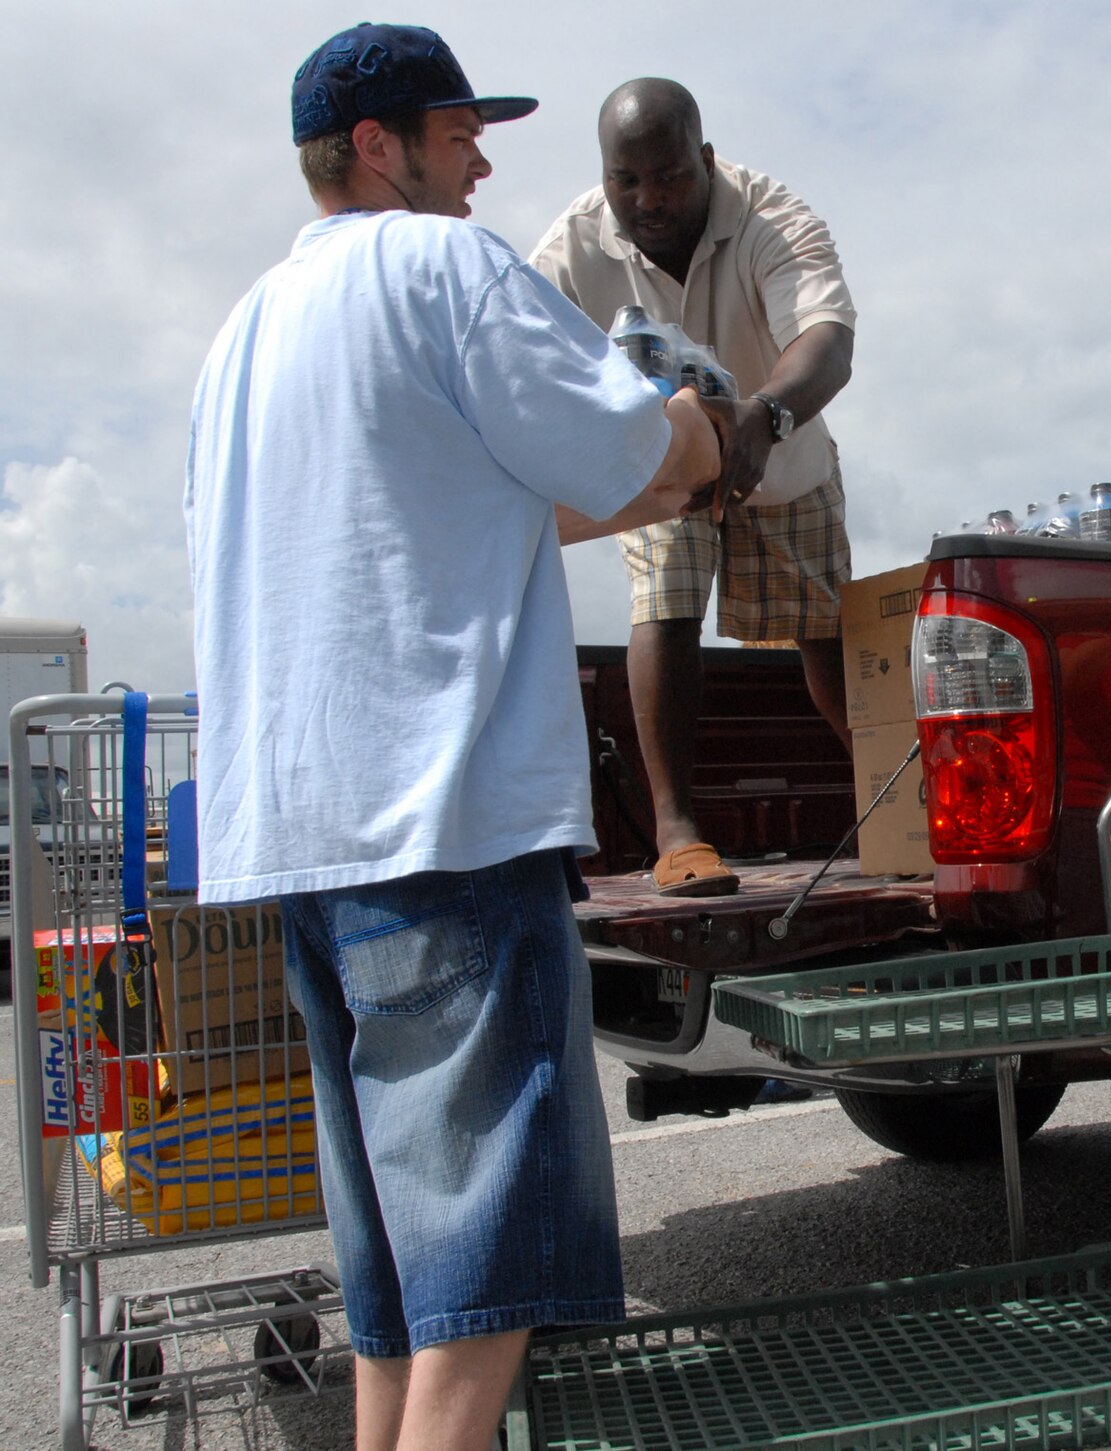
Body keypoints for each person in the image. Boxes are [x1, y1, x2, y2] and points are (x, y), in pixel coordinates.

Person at [183, 25, 725, 1451]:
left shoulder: (243, 335)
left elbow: (492, 511)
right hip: (446, 820)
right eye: (458, 126)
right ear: (379, 146)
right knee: (486, 1260)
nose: (484, 154)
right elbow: (633, 455)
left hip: (304, 837)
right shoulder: (440, 268)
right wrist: (705, 420)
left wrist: (638, 477)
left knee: (400, 1271)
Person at [531, 78, 857, 897]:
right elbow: (524, 358)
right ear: (604, 176)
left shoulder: (771, 216)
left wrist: (764, 417)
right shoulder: (568, 248)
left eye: (670, 176)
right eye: (626, 180)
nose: (649, 198)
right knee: (666, 601)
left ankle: (894, 798)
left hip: (780, 450)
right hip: (663, 458)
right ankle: (678, 833)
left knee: (826, 633)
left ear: (705, 160)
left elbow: (827, 339)